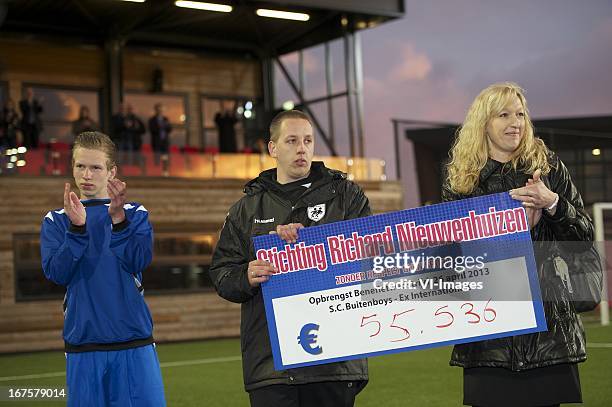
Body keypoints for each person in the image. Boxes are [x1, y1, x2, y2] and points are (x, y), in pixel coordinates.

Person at [443, 82, 594, 407]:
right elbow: (454, 258)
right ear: (483, 122)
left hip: (549, 336)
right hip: (489, 340)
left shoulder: (549, 167)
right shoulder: (461, 180)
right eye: (504, 114)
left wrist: (552, 204)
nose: (516, 122)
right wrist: (511, 231)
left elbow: (583, 240)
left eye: (521, 114)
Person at [209, 110, 370, 407]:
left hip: (333, 360)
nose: (302, 148)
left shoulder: (346, 196)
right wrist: (246, 275)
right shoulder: (245, 209)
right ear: (273, 148)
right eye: (292, 140)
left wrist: (307, 240)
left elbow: (366, 256)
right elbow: (221, 274)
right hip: (271, 365)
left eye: (308, 140)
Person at [40, 131, 166, 406]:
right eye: (80, 166)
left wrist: (119, 220)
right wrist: (76, 229)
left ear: (111, 172)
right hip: (84, 348)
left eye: (95, 167)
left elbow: (139, 261)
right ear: (72, 167)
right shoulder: (56, 220)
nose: (86, 174)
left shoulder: (134, 212)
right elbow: (57, 274)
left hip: (134, 343)